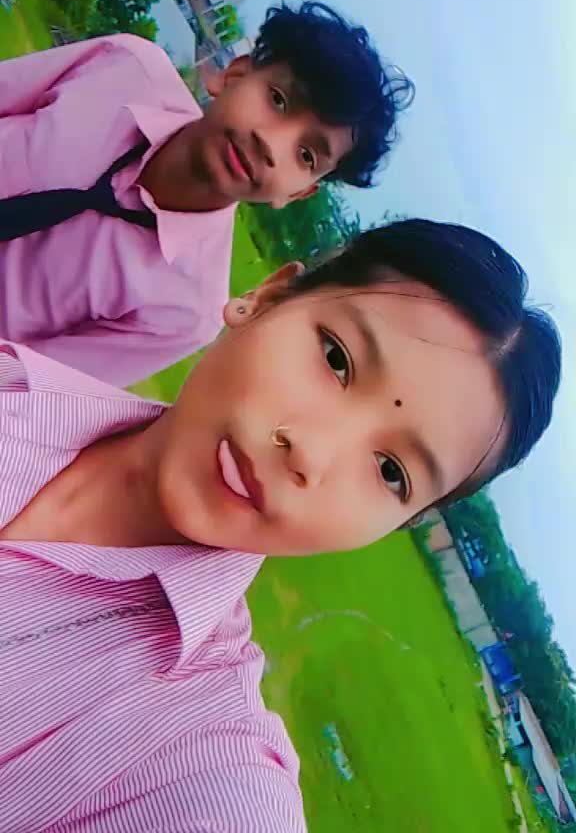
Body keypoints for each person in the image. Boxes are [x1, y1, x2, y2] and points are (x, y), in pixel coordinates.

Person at [0, 218, 561, 831]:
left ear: (399, 524)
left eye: (391, 472)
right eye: (336, 358)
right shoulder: (15, 381)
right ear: (265, 298)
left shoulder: (206, 766)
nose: (311, 453)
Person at [0, 1, 413, 387]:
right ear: (234, 74)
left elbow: (25, 382)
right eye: (278, 100)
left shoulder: (188, 311)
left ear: (299, 192)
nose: (270, 144)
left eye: (306, 155)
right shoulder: (125, 66)